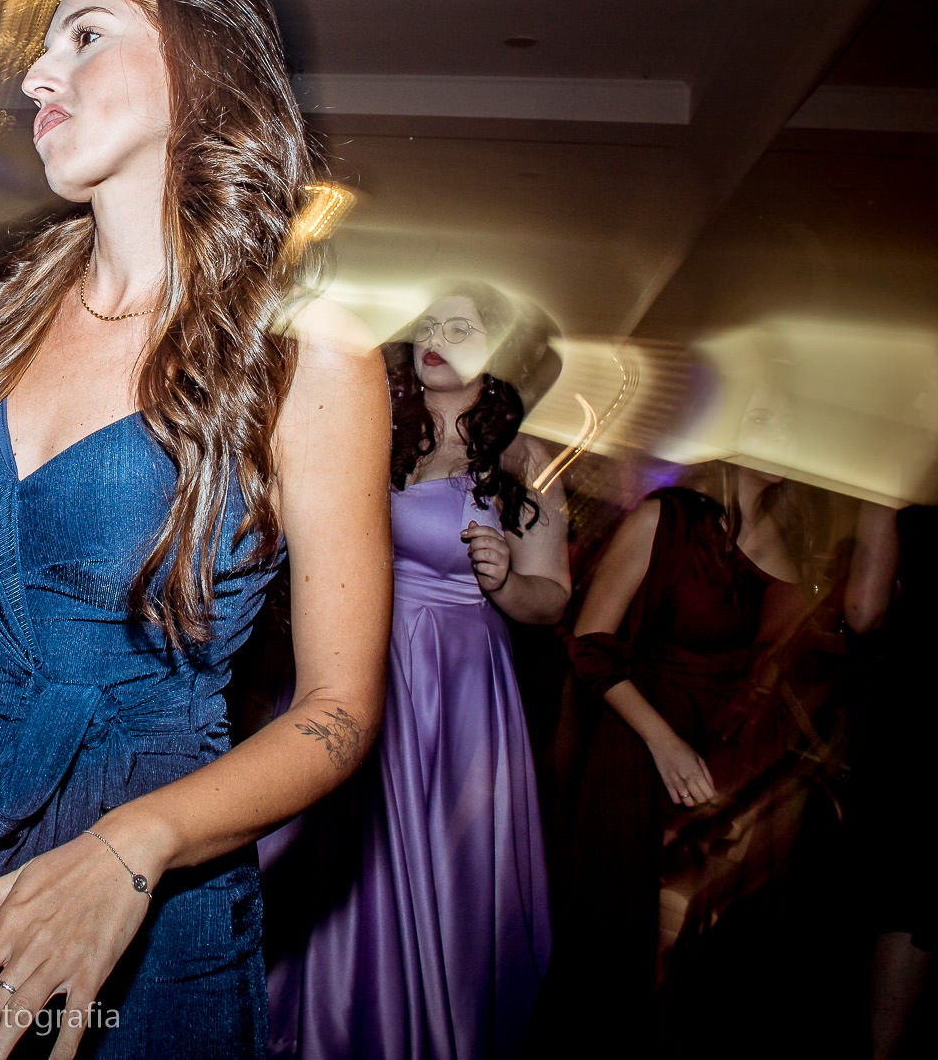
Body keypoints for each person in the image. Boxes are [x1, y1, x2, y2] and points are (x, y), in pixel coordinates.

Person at [0, 0, 391, 1058]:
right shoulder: (19, 302)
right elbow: (34, 555)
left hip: (140, 853)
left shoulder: (307, 362)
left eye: (85, 34)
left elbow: (338, 713)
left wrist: (137, 845)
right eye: (40, 45)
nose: (33, 74)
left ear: (202, 76)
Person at [260, 283, 568, 1059]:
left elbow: (553, 598)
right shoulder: (380, 427)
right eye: (429, 323)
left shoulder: (524, 458)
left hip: (456, 687)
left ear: (494, 351)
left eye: (460, 327)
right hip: (361, 652)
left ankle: (426, 1026)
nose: (436, 337)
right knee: (338, 850)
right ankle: (331, 1015)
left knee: (434, 871)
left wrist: (505, 581)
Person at [541, 460, 808, 1052]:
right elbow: (589, 645)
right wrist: (664, 745)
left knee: (695, 972)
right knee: (614, 953)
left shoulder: (798, 547)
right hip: (639, 751)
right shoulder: (669, 517)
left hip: (724, 773)